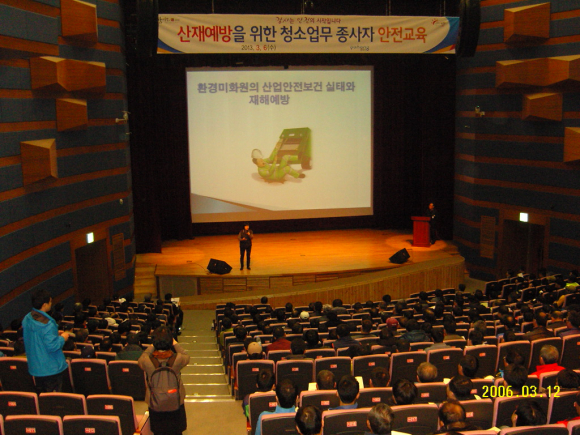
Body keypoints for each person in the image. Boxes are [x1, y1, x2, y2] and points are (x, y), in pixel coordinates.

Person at [138, 326, 190, 435]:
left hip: (155, 401)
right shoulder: (178, 358)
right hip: (175, 400)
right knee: (176, 430)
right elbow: (186, 356)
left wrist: (152, 345)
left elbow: (142, 357)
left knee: (158, 431)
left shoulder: (147, 360)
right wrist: (175, 344)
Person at [22, 289, 70, 392]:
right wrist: (63, 338)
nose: (51, 304)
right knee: (53, 399)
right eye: (50, 302)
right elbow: (53, 346)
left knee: (42, 397)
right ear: (44, 304)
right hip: (50, 369)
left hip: (35, 367)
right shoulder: (48, 324)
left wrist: (55, 333)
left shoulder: (27, 318)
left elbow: (37, 336)